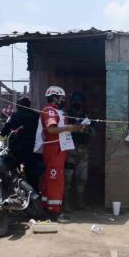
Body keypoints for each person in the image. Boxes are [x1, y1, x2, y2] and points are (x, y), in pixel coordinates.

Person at [36, 86, 84, 221]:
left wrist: (75, 127)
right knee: (55, 180)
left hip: (59, 149)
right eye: (61, 98)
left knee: (51, 180)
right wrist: (68, 128)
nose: (63, 101)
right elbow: (51, 130)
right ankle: (54, 213)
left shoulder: (58, 111)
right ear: (54, 97)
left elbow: (62, 128)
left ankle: (46, 207)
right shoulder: (49, 111)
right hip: (53, 149)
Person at [0, 97, 43, 191]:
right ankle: (34, 194)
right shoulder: (36, 115)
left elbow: (3, 131)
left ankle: (12, 191)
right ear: (29, 106)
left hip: (16, 149)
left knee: (11, 169)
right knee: (32, 174)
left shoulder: (15, 115)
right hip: (32, 148)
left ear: (18, 106)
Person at [64, 91, 92, 211]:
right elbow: (63, 130)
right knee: (67, 179)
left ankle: (80, 203)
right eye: (75, 101)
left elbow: (93, 132)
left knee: (82, 178)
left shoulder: (85, 116)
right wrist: (76, 127)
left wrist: (87, 128)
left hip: (83, 151)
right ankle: (65, 203)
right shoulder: (67, 115)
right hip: (70, 151)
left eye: (79, 101)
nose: (77, 104)